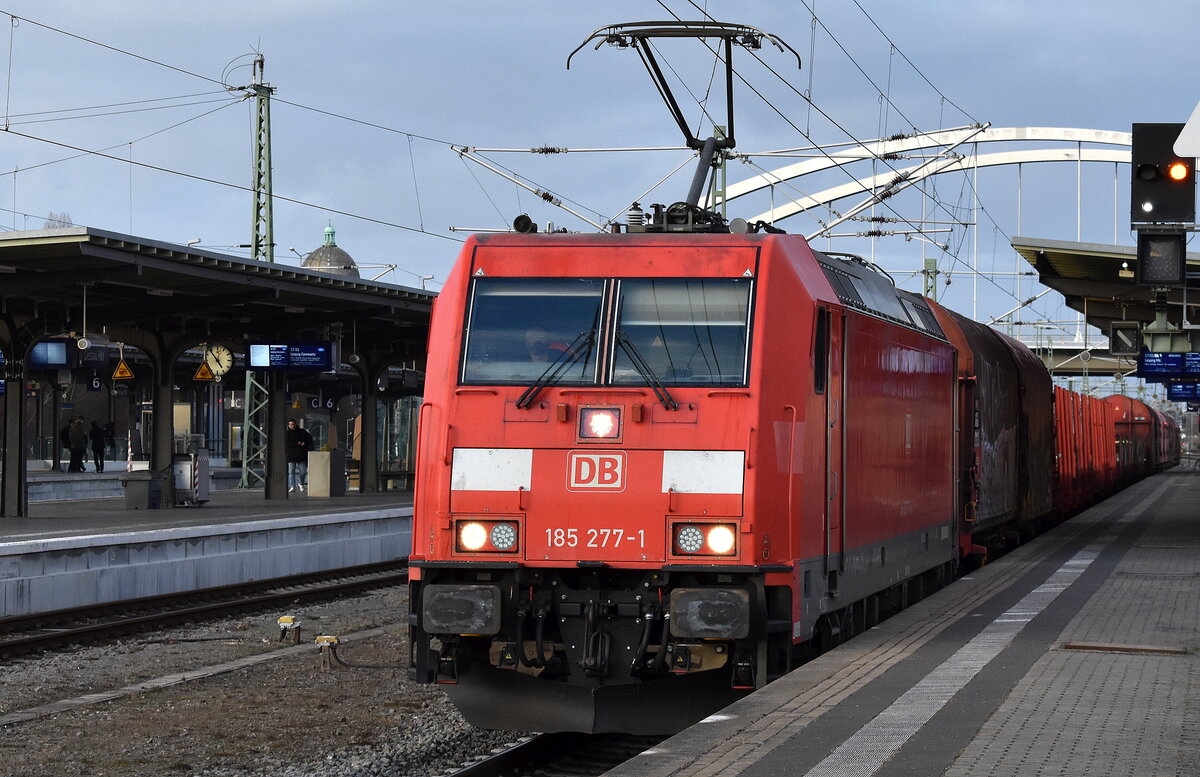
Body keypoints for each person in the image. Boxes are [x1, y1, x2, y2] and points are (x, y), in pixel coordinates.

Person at [285, 419, 314, 493]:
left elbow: (309, 438)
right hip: (291, 455)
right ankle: (292, 486)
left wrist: (304, 443)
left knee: (303, 472)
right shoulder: (287, 433)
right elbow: (286, 443)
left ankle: (300, 483)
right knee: (291, 471)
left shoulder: (302, 431)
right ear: (288, 425)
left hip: (301, 454)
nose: (292, 426)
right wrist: (297, 443)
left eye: (293, 424)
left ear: (295, 424)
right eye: (291, 425)